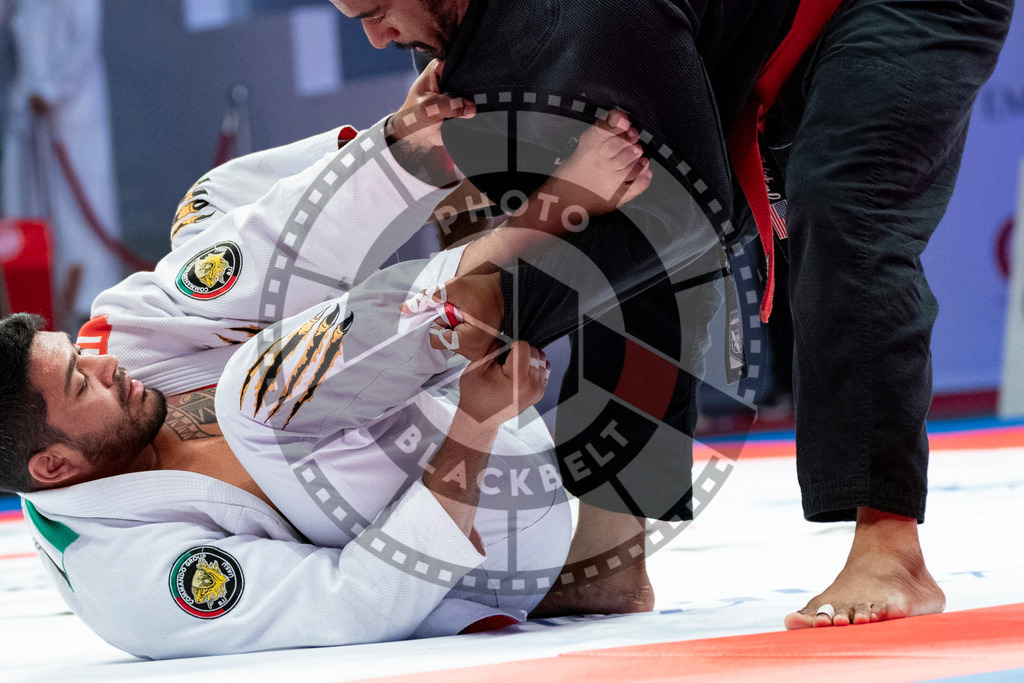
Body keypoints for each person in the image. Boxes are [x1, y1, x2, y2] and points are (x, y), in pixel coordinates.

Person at [329, 0, 1014, 628]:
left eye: (379, 9)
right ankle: (610, 552)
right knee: (617, 216)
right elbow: (544, 226)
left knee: (840, 204)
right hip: (759, 40)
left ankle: (890, 546)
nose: (375, 36)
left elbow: (693, 223)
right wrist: (487, 230)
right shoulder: (451, 57)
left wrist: (500, 296)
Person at [0, 63, 651, 657]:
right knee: (257, 398)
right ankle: (535, 236)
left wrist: (401, 151)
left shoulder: (117, 342)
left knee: (208, 213)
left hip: (450, 393)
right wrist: (474, 428)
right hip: (488, 522)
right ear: (54, 464)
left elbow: (252, 251)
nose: (102, 364)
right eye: (81, 384)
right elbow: (358, 599)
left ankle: (436, 158)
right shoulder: (133, 584)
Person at [1, 0, 123, 330]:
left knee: (79, 217)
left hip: (71, 109)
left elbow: (82, 41)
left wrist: (52, 89)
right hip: (28, 109)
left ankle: (88, 303)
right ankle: (37, 301)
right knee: (30, 209)